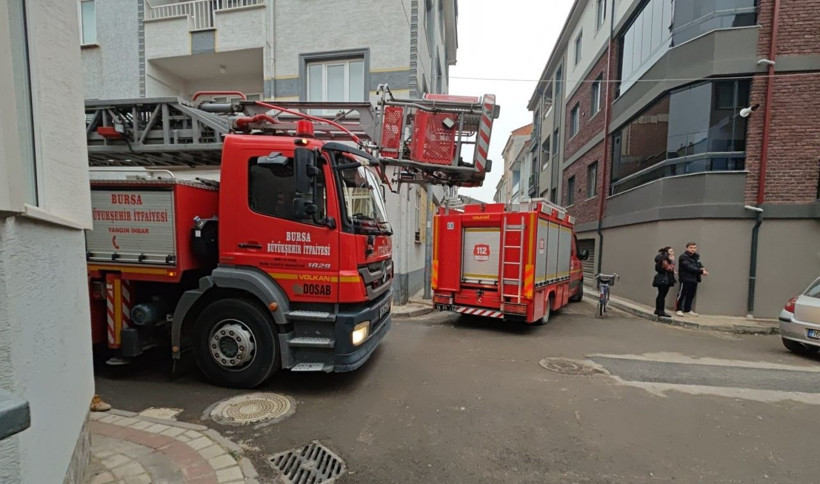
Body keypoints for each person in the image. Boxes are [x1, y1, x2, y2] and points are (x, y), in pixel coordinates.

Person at [676, 242, 708, 316]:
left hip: (694, 278)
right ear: (687, 248)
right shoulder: (683, 257)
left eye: (694, 248)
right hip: (685, 278)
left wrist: (702, 268)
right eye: (691, 247)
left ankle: (688, 309)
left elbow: (699, 265)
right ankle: (678, 309)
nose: (693, 249)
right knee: (682, 294)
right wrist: (701, 271)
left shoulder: (696, 257)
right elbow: (689, 267)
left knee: (691, 295)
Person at [653, 247, 676, 318]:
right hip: (664, 279)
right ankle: (661, 311)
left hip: (662, 278)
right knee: (662, 295)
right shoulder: (664, 259)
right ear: (667, 252)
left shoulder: (662, 259)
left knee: (660, 295)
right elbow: (668, 268)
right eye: (671, 251)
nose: (673, 252)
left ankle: (657, 310)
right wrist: (672, 261)